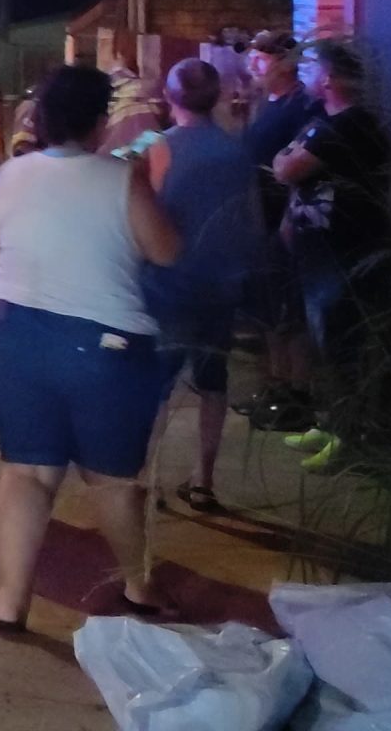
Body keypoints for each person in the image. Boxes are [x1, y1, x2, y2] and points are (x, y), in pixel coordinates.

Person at [0, 65, 183, 631]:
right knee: (111, 480)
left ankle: (10, 603)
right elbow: (165, 251)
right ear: (99, 122)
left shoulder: (9, 175)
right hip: (104, 347)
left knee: (26, 473)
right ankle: (138, 586)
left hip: (9, 334)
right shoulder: (121, 179)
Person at [143, 59, 262, 511]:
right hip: (221, 282)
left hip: (168, 282)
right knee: (213, 380)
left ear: (170, 98)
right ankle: (203, 479)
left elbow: (137, 204)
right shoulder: (236, 149)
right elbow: (252, 217)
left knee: (156, 385)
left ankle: (147, 479)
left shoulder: (156, 146)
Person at [275, 40, 391, 376]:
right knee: (321, 338)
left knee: (340, 346)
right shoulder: (322, 122)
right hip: (320, 256)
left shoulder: (349, 125)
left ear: (328, 78)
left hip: (342, 255)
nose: (304, 72)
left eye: (312, 67)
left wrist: (289, 155)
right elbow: (288, 159)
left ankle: (345, 425)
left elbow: (285, 169)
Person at [239, 31, 320, 429]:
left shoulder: (302, 105)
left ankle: (297, 394)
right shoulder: (262, 104)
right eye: (252, 57)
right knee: (268, 309)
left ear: (286, 60)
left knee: (290, 311)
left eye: (263, 57)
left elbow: (302, 170)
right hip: (259, 219)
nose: (255, 64)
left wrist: (289, 215)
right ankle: (275, 386)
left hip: (286, 220)